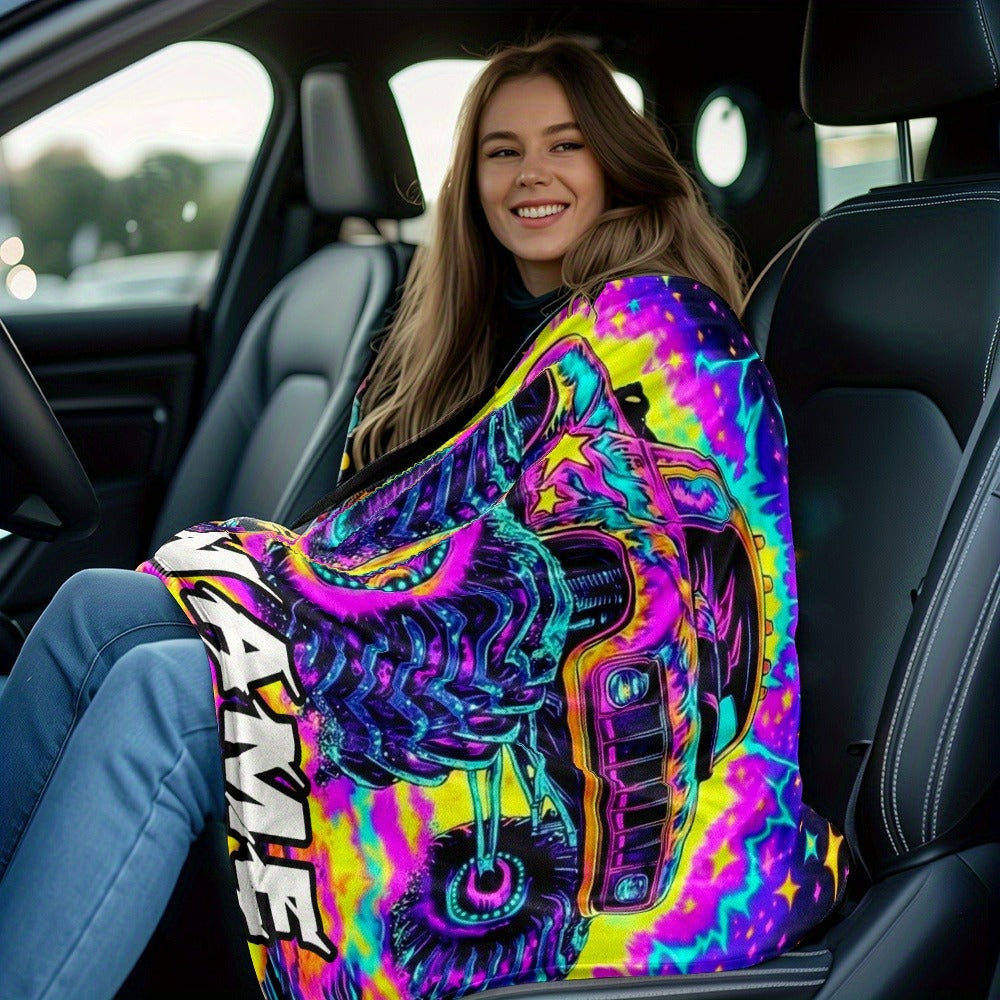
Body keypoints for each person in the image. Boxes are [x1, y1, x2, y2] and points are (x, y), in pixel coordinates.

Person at [0, 36, 848, 1000]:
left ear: (617, 164)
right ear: (471, 182)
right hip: (454, 670)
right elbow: (400, 532)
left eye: (565, 145)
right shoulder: (468, 337)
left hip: (580, 757)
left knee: (166, 689)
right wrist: (300, 589)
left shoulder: (661, 327)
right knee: (95, 608)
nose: (531, 174)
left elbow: (626, 577)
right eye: (501, 151)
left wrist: (295, 596)